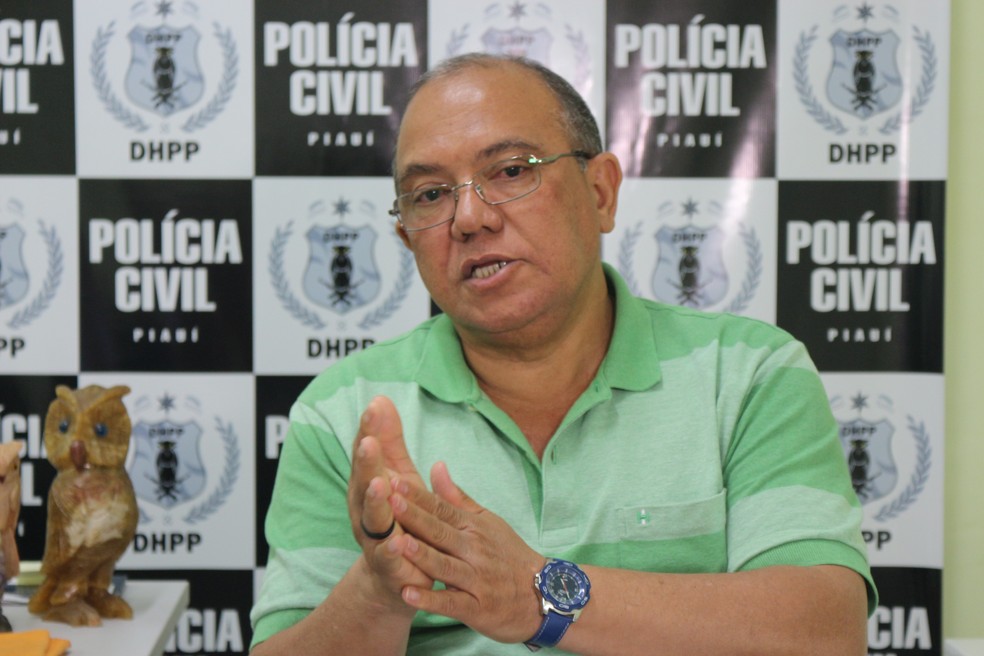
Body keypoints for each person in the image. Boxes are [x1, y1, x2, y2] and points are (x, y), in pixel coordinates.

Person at [250, 53, 876, 655]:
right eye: (431, 194)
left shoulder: (747, 374)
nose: (468, 218)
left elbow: (823, 633)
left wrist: (538, 597)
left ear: (601, 192)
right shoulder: (346, 413)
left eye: (511, 172)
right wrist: (383, 587)